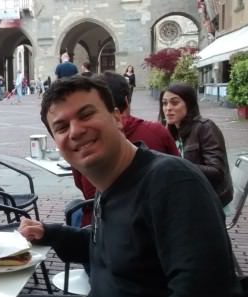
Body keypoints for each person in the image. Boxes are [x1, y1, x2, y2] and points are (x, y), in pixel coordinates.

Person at [19, 76, 246, 297]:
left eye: (86, 115)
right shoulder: (110, 184)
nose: (75, 131)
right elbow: (117, 251)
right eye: (61, 127)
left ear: (117, 117)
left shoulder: (173, 182)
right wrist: (52, 234)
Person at [69, 72, 180, 227]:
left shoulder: (83, 141)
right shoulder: (157, 132)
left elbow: (82, 186)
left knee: (74, 213)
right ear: (127, 102)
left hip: (100, 222)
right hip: (159, 221)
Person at [159, 83, 233, 207]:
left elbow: (217, 172)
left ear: (189, 104)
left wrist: (177, 165)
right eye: (165, 103)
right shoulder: (173, 130)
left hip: (208, 200)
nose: (168, 108)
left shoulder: (205, 127)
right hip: (188, 193)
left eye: (174, 102)